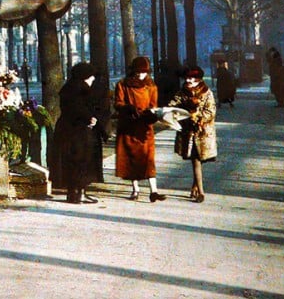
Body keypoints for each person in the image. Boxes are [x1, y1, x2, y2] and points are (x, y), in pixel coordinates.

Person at [113, 56, 166, 202]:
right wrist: (127, 108)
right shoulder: (123, 84)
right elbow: (118, 103)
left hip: (144, 127)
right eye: (138, 72)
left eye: (144, 72)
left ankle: (153, 191)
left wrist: (152, 114)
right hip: (128, 126)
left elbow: (153, 105)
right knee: (131, 159)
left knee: (149, 158)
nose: (141, 75)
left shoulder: (151, 86)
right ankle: (135, 190)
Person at [50, 62, 100, 204]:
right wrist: (90, 118)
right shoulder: (81, 90)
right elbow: (79, 109)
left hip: (66, 130)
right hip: (78, 131)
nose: (93, 80)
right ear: (84, 77)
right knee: (82, 161)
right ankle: (80, 193)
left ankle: (73, 194)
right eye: (91, 77)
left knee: (70, 162)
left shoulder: (68, 88)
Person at [168, 66, 217, 203]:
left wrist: (199, 118)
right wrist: (177, 113)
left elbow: (211, 111)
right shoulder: (182, 93)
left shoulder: (207, 93)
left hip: (203, 132)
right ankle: (201, 191)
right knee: (195, 160)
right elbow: (173, 105)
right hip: (188, 132)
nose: (188, 80)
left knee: (199, 161)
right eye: (187, 78)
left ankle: (195, 187)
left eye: (192, 78)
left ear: (198, 79)